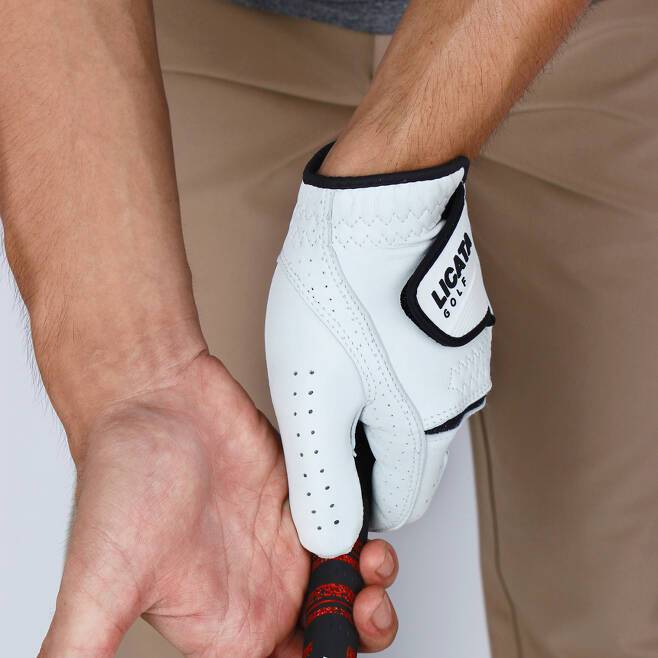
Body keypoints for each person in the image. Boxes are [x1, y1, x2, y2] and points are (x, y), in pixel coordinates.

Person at [1, 0, 655, 657]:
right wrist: (136, 386)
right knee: (195, 598)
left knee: (617, 623)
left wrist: (382, 201)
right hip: (213, 42)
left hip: (585, 40)